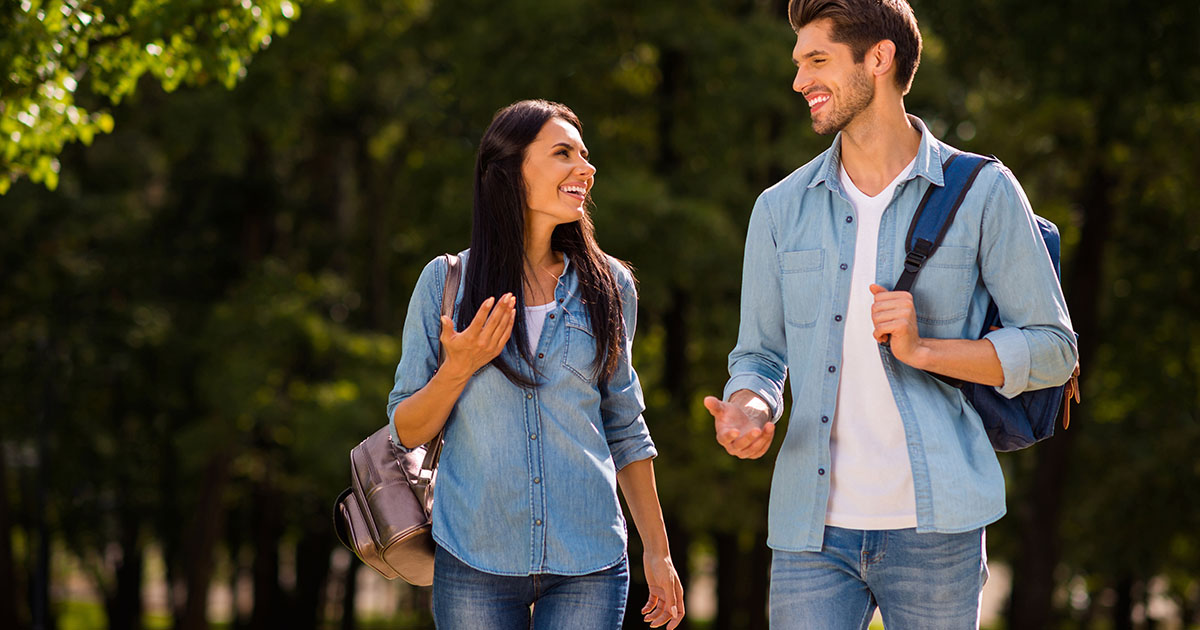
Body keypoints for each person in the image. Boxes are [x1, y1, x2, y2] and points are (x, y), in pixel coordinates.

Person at [703, 1, 1077, 627]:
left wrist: (926, 350)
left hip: (939, 528)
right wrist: (752, 405)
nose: (799, 82)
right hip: (809, 531)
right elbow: (760, 355)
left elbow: (1055, 348)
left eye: (817, 61)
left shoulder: (984, 191)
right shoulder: (779, 208)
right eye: (798, 64)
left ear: (878, 58)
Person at [386, 99, 684, 630]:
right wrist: (459, 368)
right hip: (474, 552)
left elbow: (625, 426)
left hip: (589, 559)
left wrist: (657, 552)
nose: (586, 168)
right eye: (563, 153)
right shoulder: (445, 283)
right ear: (508, 171)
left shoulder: (610, 286)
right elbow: (405, 431)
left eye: (585, 155)